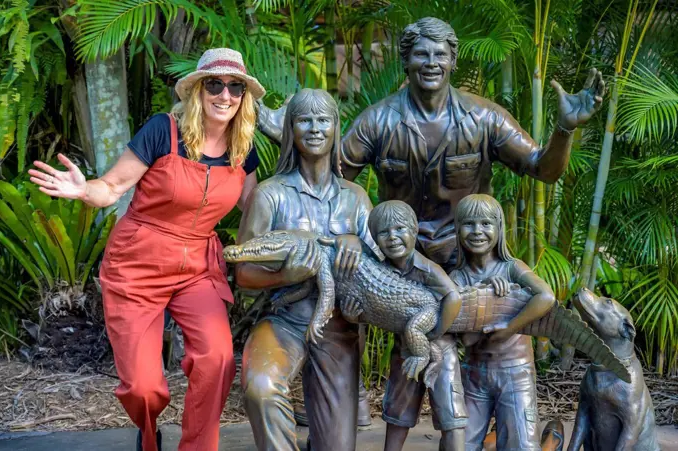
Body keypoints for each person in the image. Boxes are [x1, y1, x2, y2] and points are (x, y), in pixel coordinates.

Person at [257, 16, 604, 450]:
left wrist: (565, 129)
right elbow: (329, 166)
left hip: (471, 263)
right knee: (380, 325)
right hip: (400, 266)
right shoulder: (378, 120)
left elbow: (542, 169)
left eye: (440, 54)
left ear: (453, 60)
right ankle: (346, 416)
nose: (431, 62)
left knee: (500, 350)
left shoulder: (483, 116)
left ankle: (505, 436)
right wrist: (284, 134)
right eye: (421, 53)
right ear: (405, 60)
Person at [28, 48, 265, 451]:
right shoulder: (163, 131)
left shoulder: (243, 148)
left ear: (243, 96)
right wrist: (83, 188)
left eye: (235, 87)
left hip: (197, 267)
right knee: (142, 387)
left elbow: (258, 207)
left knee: (218, 358)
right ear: (196, 90)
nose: (225, 95)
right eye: (215, 84)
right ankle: (149, 435)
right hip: (138, 262)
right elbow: (113, 187)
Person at [236, 88, 381, 451]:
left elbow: (382, 270)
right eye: (304, 120)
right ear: (290, 129)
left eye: (323, 120)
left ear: (336, 128)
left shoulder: (355, 198)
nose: (315, 129)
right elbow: (244, 277)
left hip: (338, 329)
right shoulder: (270, 195)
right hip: (284, 320)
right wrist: (287, 275)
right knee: (262, 387)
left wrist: (358, 245)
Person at [448, 194, 556, 451]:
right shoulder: (456, 278)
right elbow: (466, 338)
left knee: (521, 445)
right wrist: (485, 298)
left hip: (515, 372)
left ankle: (552, 439)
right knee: (458, 444)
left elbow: (546, 297)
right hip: (475, 373)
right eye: (469, 224)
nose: (477, 231)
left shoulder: (511, 268)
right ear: (458, 229)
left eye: (486, 224)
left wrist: (510, 326)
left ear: (499, 228)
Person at [363, 200, 467, 450]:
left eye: (400, 229)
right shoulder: (379, 270)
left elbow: (453, 297)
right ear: (375, 239)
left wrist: (433, 332)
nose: (393, 237)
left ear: (414, 231)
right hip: (405, 348)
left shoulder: (425, 267)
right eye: (384, 232)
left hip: (439, 348)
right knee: (398, 410)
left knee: (450, 413)